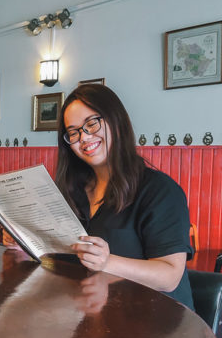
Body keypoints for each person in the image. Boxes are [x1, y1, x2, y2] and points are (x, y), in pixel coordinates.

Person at [57, 84, 194, 309]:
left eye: (91, 123)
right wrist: (25, 242)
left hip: (159, 321)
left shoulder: (160, 190)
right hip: (98, 314)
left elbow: (169, 276)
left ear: (116, 121)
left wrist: (107, 262)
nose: (84, 137)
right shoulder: (72, 191)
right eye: (73, 132)